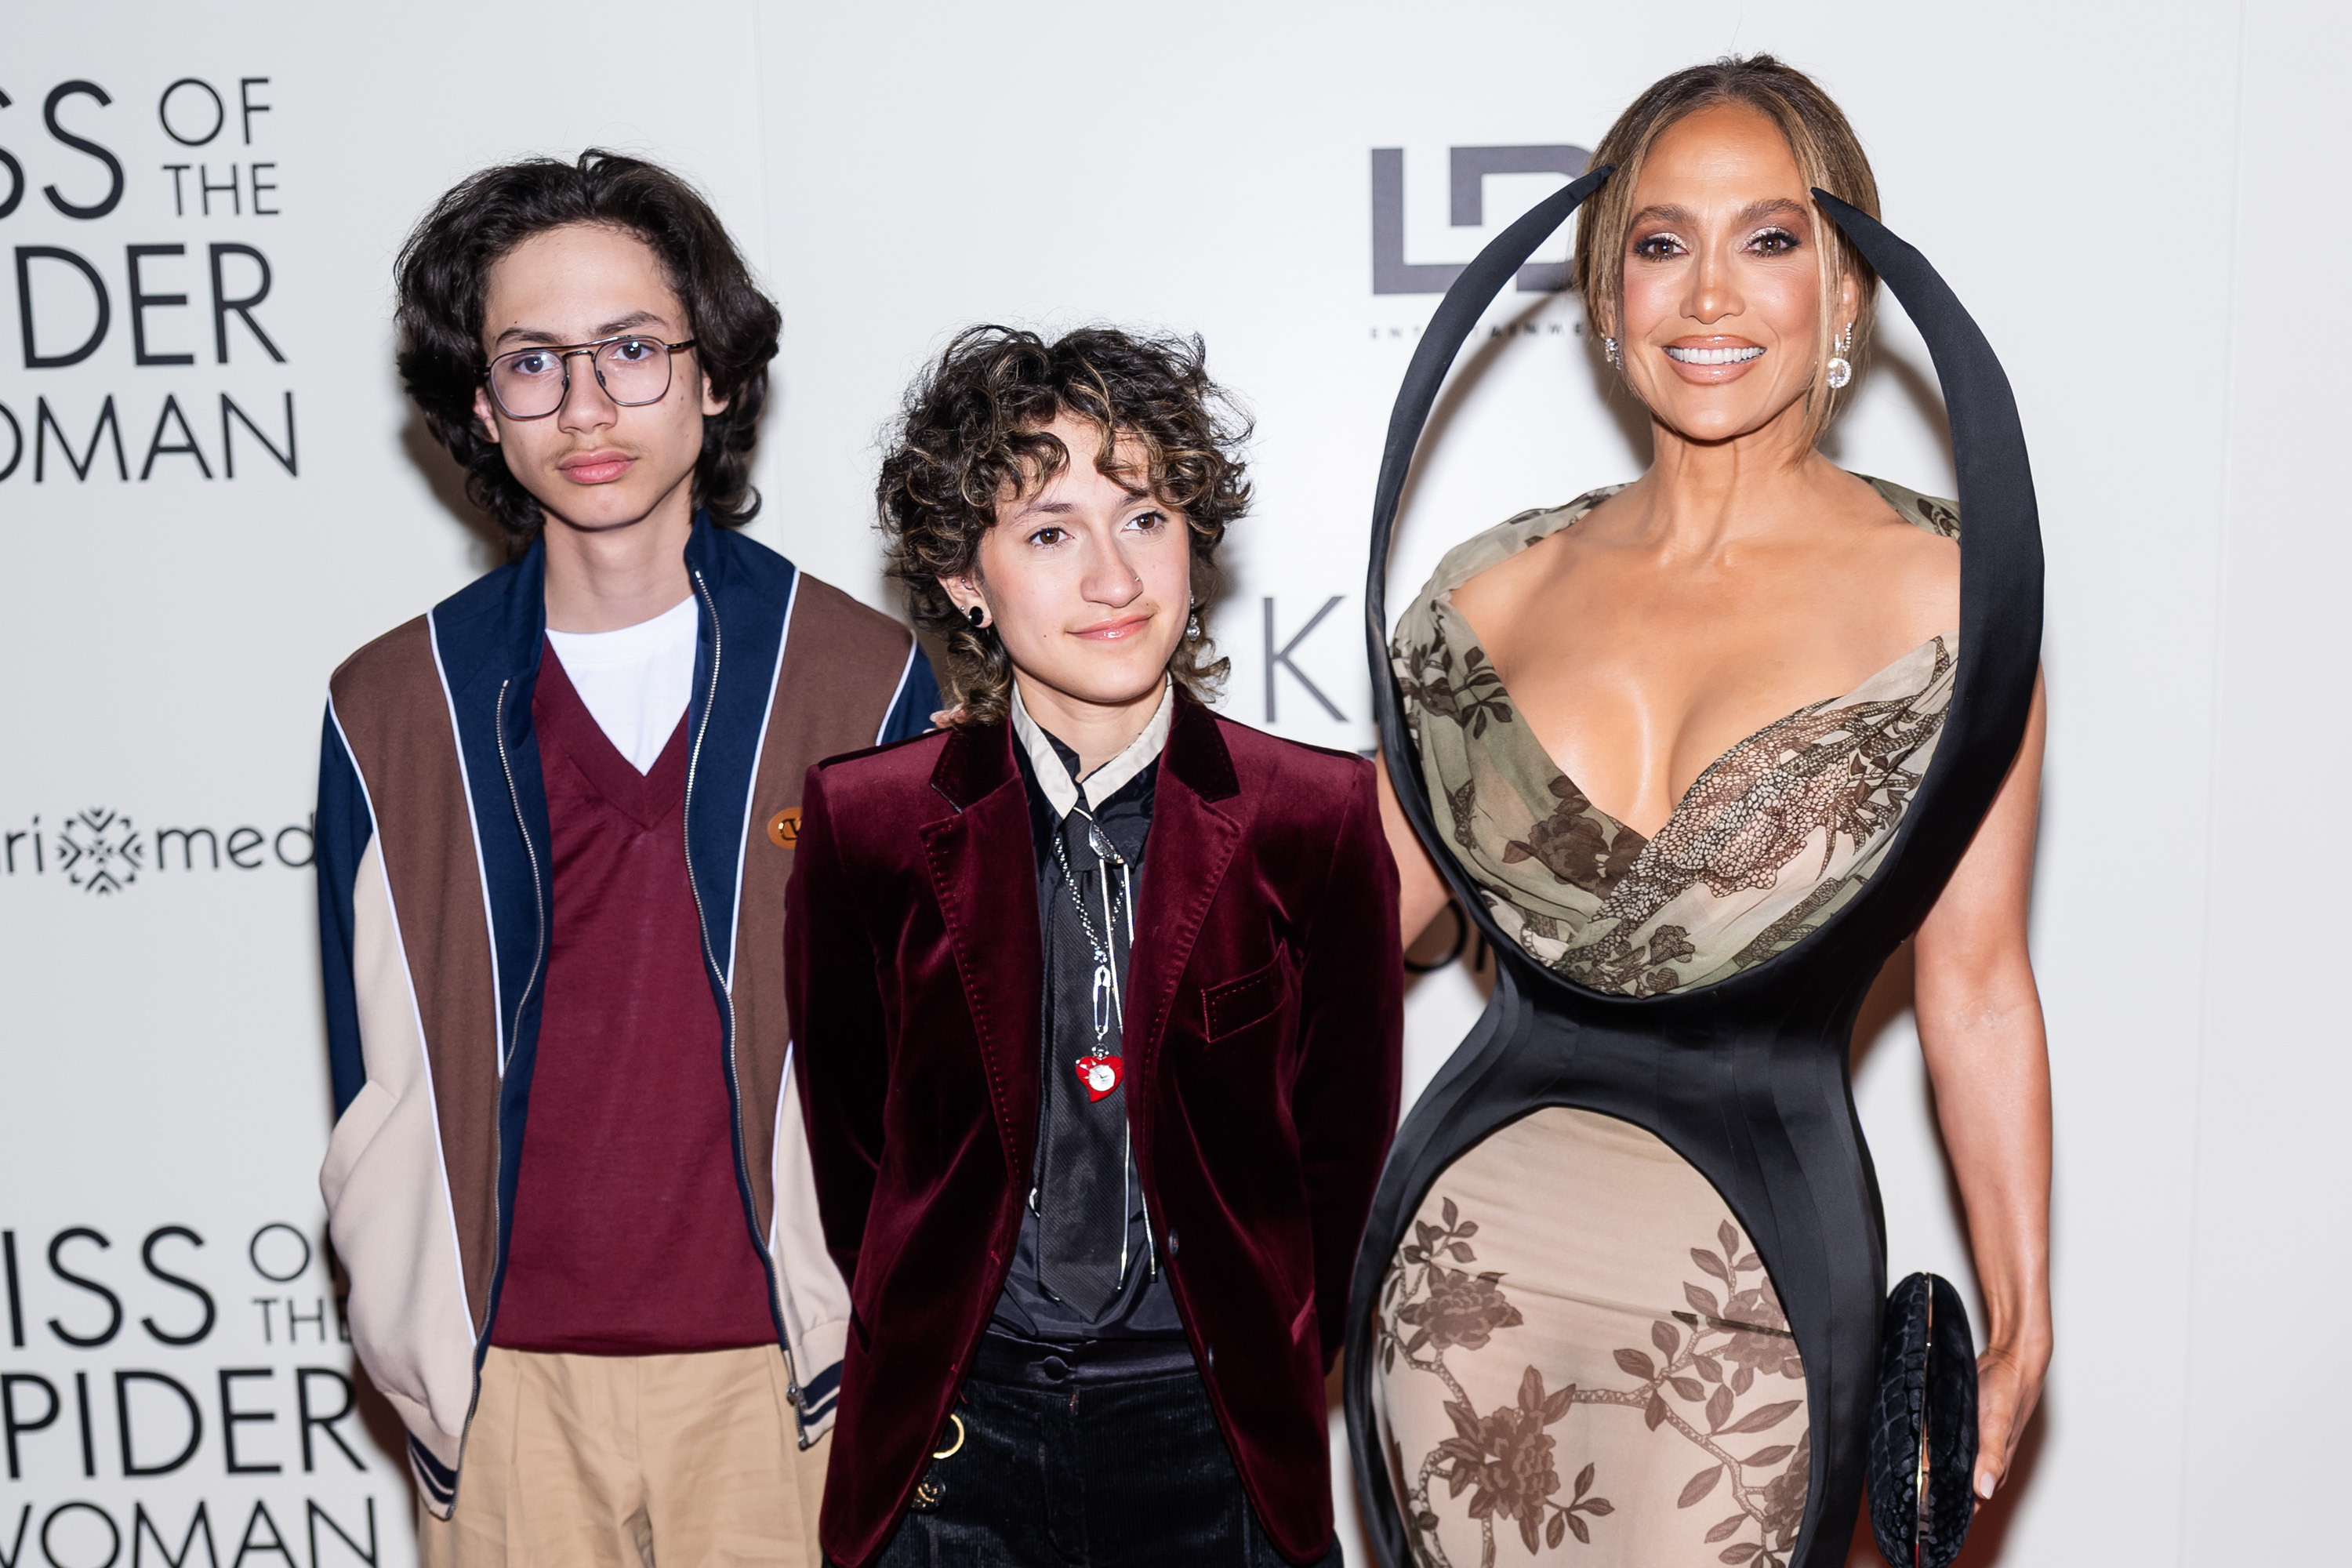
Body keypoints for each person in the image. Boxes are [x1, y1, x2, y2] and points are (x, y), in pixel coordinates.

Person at [1345, 58, 2053, 1568]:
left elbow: (1979, 990)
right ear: (1608, 295)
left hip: (1755, 1298)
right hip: (1461, 1276)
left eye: (1772, 239)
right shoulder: (1486, 592)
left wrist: (2023, 1297)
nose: (1710, 296)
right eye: (1662, 244)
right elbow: (1353, 942)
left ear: (1850, 286)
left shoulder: (1957, 599)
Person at [313, 150, 937, 1567]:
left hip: (799, 1384)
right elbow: (368, 1063)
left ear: (713, 376)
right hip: (503, 1390)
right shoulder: (390, 707)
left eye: (633, 350)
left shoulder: (858, 680)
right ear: (481, 403)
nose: (586, 405)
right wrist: (419, 1333)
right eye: (533, 360)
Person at [786, 325, 1403, 1567]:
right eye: (1052, 532)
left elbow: (1341, 1164)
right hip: (959, 1442)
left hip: (1215, 1438)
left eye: (1147, 518)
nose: (1115, 579)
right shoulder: (868, 825)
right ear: (968, 578)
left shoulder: (1313, 818)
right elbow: (861, 1163)